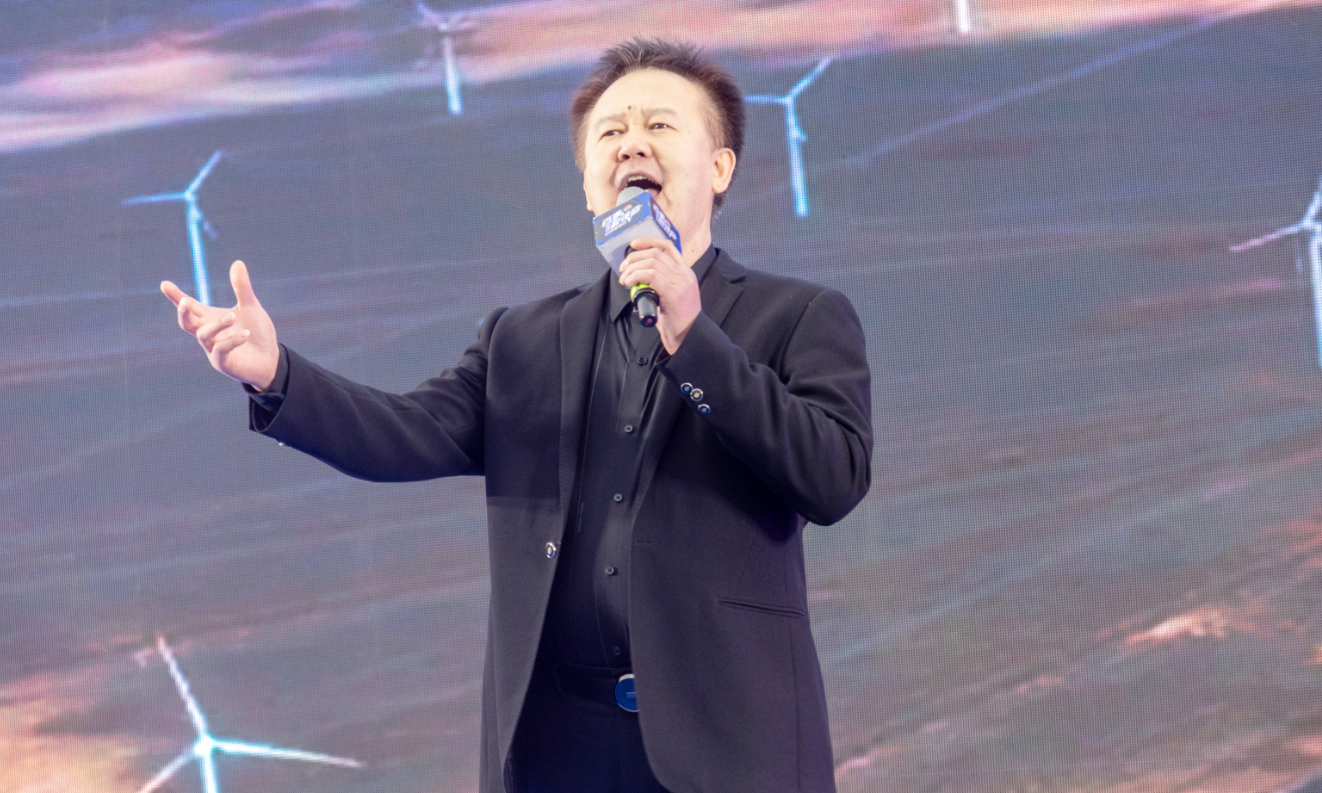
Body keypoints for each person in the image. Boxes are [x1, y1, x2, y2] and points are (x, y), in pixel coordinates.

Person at [161, 38, 872, 793]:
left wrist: (694, 339)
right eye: (610, 132)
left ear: (721, 167)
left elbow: (833, 477)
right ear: (590, 185)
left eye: (660, 125)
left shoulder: (798, 316)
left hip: (726, 746)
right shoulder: (524, 340)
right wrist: (277, 374)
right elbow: (403, 433)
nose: (631, 143)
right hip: (557, 747)